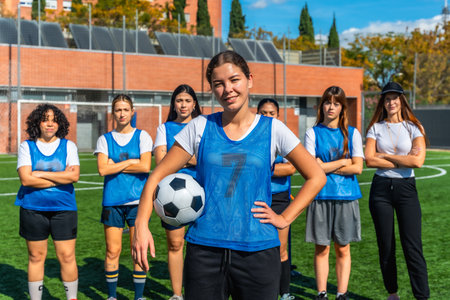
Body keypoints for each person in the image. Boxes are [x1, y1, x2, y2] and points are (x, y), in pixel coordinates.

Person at [132, 50, 326, 300]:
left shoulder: (273, 129)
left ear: (249, 80)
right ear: (212, 89)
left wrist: (285, 217)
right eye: (218, 84)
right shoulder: (200, 126)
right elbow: (156, 175)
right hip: (204, 250)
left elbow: (316, 176)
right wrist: (141, 224)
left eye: (234, 80)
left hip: (258, 251)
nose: (228, 89)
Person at [365, 82, 429, 300]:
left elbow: (418, 161)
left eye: (395, 98)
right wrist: (403, 160)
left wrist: (386, 156)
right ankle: (392, 294)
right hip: (380, 190)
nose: (391, 102)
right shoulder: (375, 127)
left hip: (406, 190)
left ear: (402, 100)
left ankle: (422, 296)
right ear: (383, 102)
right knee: (386, 245)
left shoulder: (414, 127)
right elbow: (370, 160)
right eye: (387, 98)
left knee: (413, 246)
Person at [303, 86, 364, 300]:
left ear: (342, 107)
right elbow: (310, 168)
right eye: (327, 102)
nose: (331, 107)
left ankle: (341, 293)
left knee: (343, 248)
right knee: (322, 249)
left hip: (347, 197)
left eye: (336, 103)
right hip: (320, 196)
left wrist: (325, 165)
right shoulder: (312, 132)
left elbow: (357, 168)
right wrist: (342, 162)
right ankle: (321, 293)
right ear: (322, 105)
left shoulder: (353, 133)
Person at [15, 104, 80, 300]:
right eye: (45, 119)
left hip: (64, 210)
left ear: (59, 123)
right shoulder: (27, 146)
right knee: (36, 258)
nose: (50, 123)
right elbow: (26, 179)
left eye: (54, 119)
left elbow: (74, 176)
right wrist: (61, 176)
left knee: (67, 257)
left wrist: (41, 174)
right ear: (37, 122)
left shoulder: (69, 146)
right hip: (33, 210)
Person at [94, 94, 152, 300]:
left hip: (138, 202)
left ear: (132, 112)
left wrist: (115, 165)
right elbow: (102, 170)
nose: (122, 113)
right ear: (113, 113)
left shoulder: (143, 136)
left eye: (126, 110)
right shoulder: (104, 139)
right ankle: (111, 296)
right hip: (112, 202)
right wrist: (131, 162)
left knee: (138, 249)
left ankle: (138, 297)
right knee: (112, 250)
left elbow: (146, 166)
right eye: (118, 110)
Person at [153, 84, 202, 300]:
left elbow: (206, 161)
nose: (183, 105)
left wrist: (177, 157)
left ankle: (200, 290)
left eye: (187, 101)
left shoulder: (204, 126)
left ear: (194, 104)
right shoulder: (164, 128)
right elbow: (161, 162)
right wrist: (190, 158)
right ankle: (176, 294)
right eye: (179, 100)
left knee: (202, 244)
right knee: (175, 244)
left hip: (201, 194)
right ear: (174, 103)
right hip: (170, 196)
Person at [257, 98, 296, 300]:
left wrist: (261, 168)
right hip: (256, 197)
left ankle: (285, 293)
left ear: (278, 116)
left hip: (279, 198)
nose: (267, 116)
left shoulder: (283, 136)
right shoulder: (251, 137)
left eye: (271, 113)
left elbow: (290, 167)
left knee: (281, 249)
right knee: (258, 248)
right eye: (263, 113)